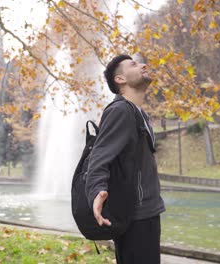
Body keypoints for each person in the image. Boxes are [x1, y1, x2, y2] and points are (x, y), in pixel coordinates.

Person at [85, 54, 166, 263]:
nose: (143, 65)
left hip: (147, 212)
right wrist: (96, 191)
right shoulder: (120, 110)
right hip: (135, 217)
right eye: (134, 64)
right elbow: (99, 157)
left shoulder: (139, 114)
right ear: (120, 79)